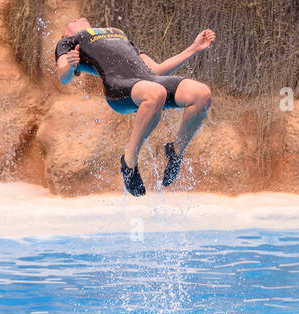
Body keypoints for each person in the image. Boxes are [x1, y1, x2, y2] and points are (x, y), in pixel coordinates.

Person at [54, 19, 215, 196]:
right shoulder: (69, 42)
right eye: (70, 22)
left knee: (202, 94)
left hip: (149, 82)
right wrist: (70, 65)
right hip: (119, 86)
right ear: (66, 34)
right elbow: (63, 77)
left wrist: (194, 48)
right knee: (156, 93)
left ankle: (175, 152)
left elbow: (156, 69)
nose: (75, 19)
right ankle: (129, 162)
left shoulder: (117, 33)